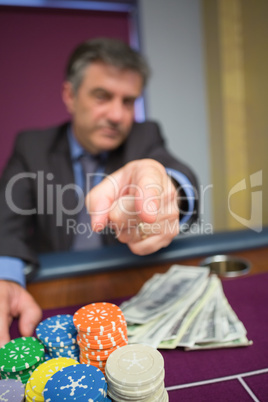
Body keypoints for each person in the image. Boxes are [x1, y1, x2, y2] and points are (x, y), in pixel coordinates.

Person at [0, 37, 199, 347]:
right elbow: (5, 223)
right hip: (56, 287)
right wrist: (6, 276)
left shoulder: (144, 137)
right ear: (70, 95)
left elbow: (175, 174)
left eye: (128, 101)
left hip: (128, 286)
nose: (117, 115)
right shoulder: (32, 146)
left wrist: (166, 190)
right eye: (102, 96)